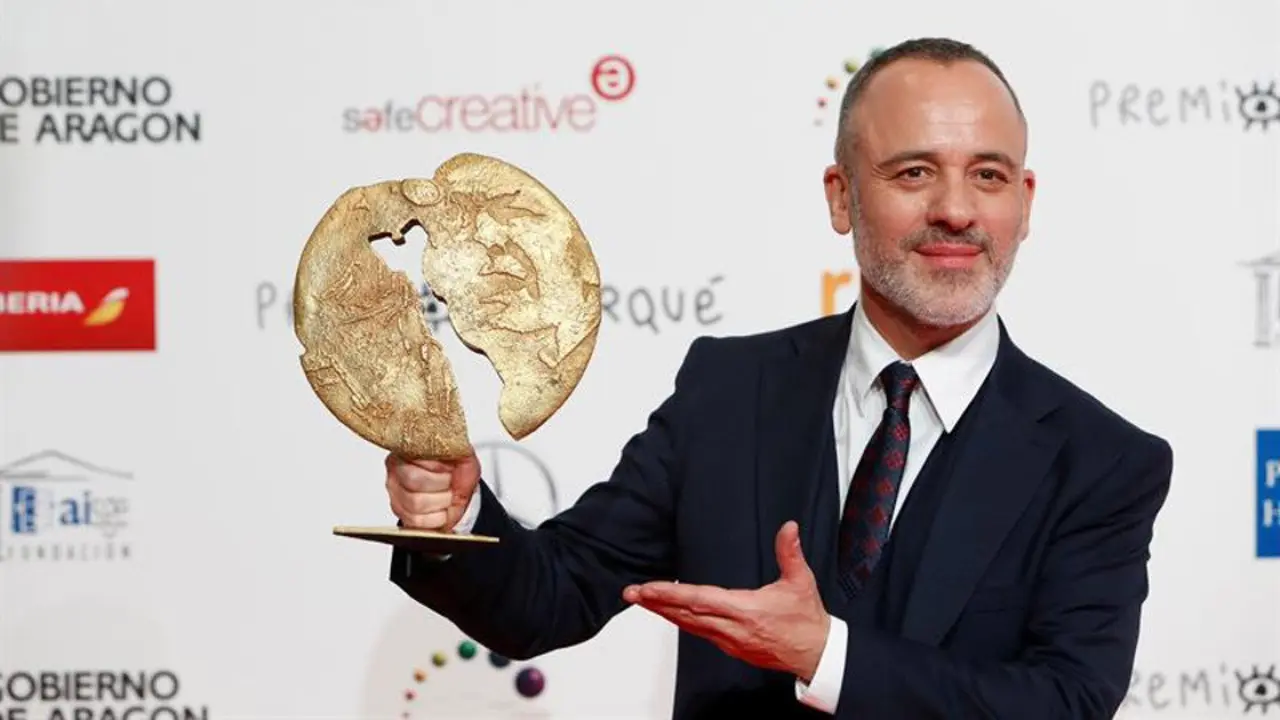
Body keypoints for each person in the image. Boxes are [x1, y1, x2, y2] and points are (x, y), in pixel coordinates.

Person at [384, 36, 1174, 719]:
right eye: (913, 173)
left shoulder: (1102, 460)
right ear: (842, 196)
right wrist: (452, 524)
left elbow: (1065, 704)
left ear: (1025, 202)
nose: (957, 210)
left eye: (990, 176)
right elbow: (554, 595)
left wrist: (826, 656)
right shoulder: (728, 391)